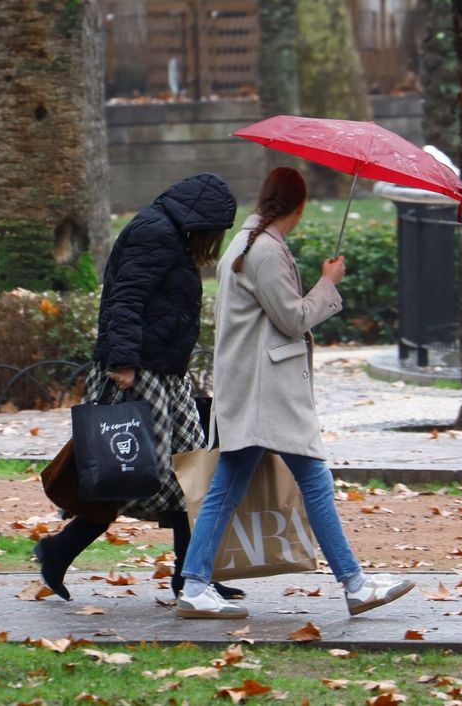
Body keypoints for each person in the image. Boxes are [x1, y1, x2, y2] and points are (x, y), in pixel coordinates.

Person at [176, 166, 414, 619]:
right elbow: (293, 318)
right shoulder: (265, 250)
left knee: (230, 486)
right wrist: (329, 282)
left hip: (253, 387)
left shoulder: (247, 243)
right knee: (314, 481)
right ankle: (355, 585)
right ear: (299, 207)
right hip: (269, 391)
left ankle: (195, 583)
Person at [34, 172, 246, 603]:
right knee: (125, 472)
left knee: (192, 472)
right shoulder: (156, 233)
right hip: (139, 374)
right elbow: (125, 297)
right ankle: (59, 550)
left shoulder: (167, 232)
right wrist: (123, 362)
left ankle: (192, 574)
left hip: (166, 374)